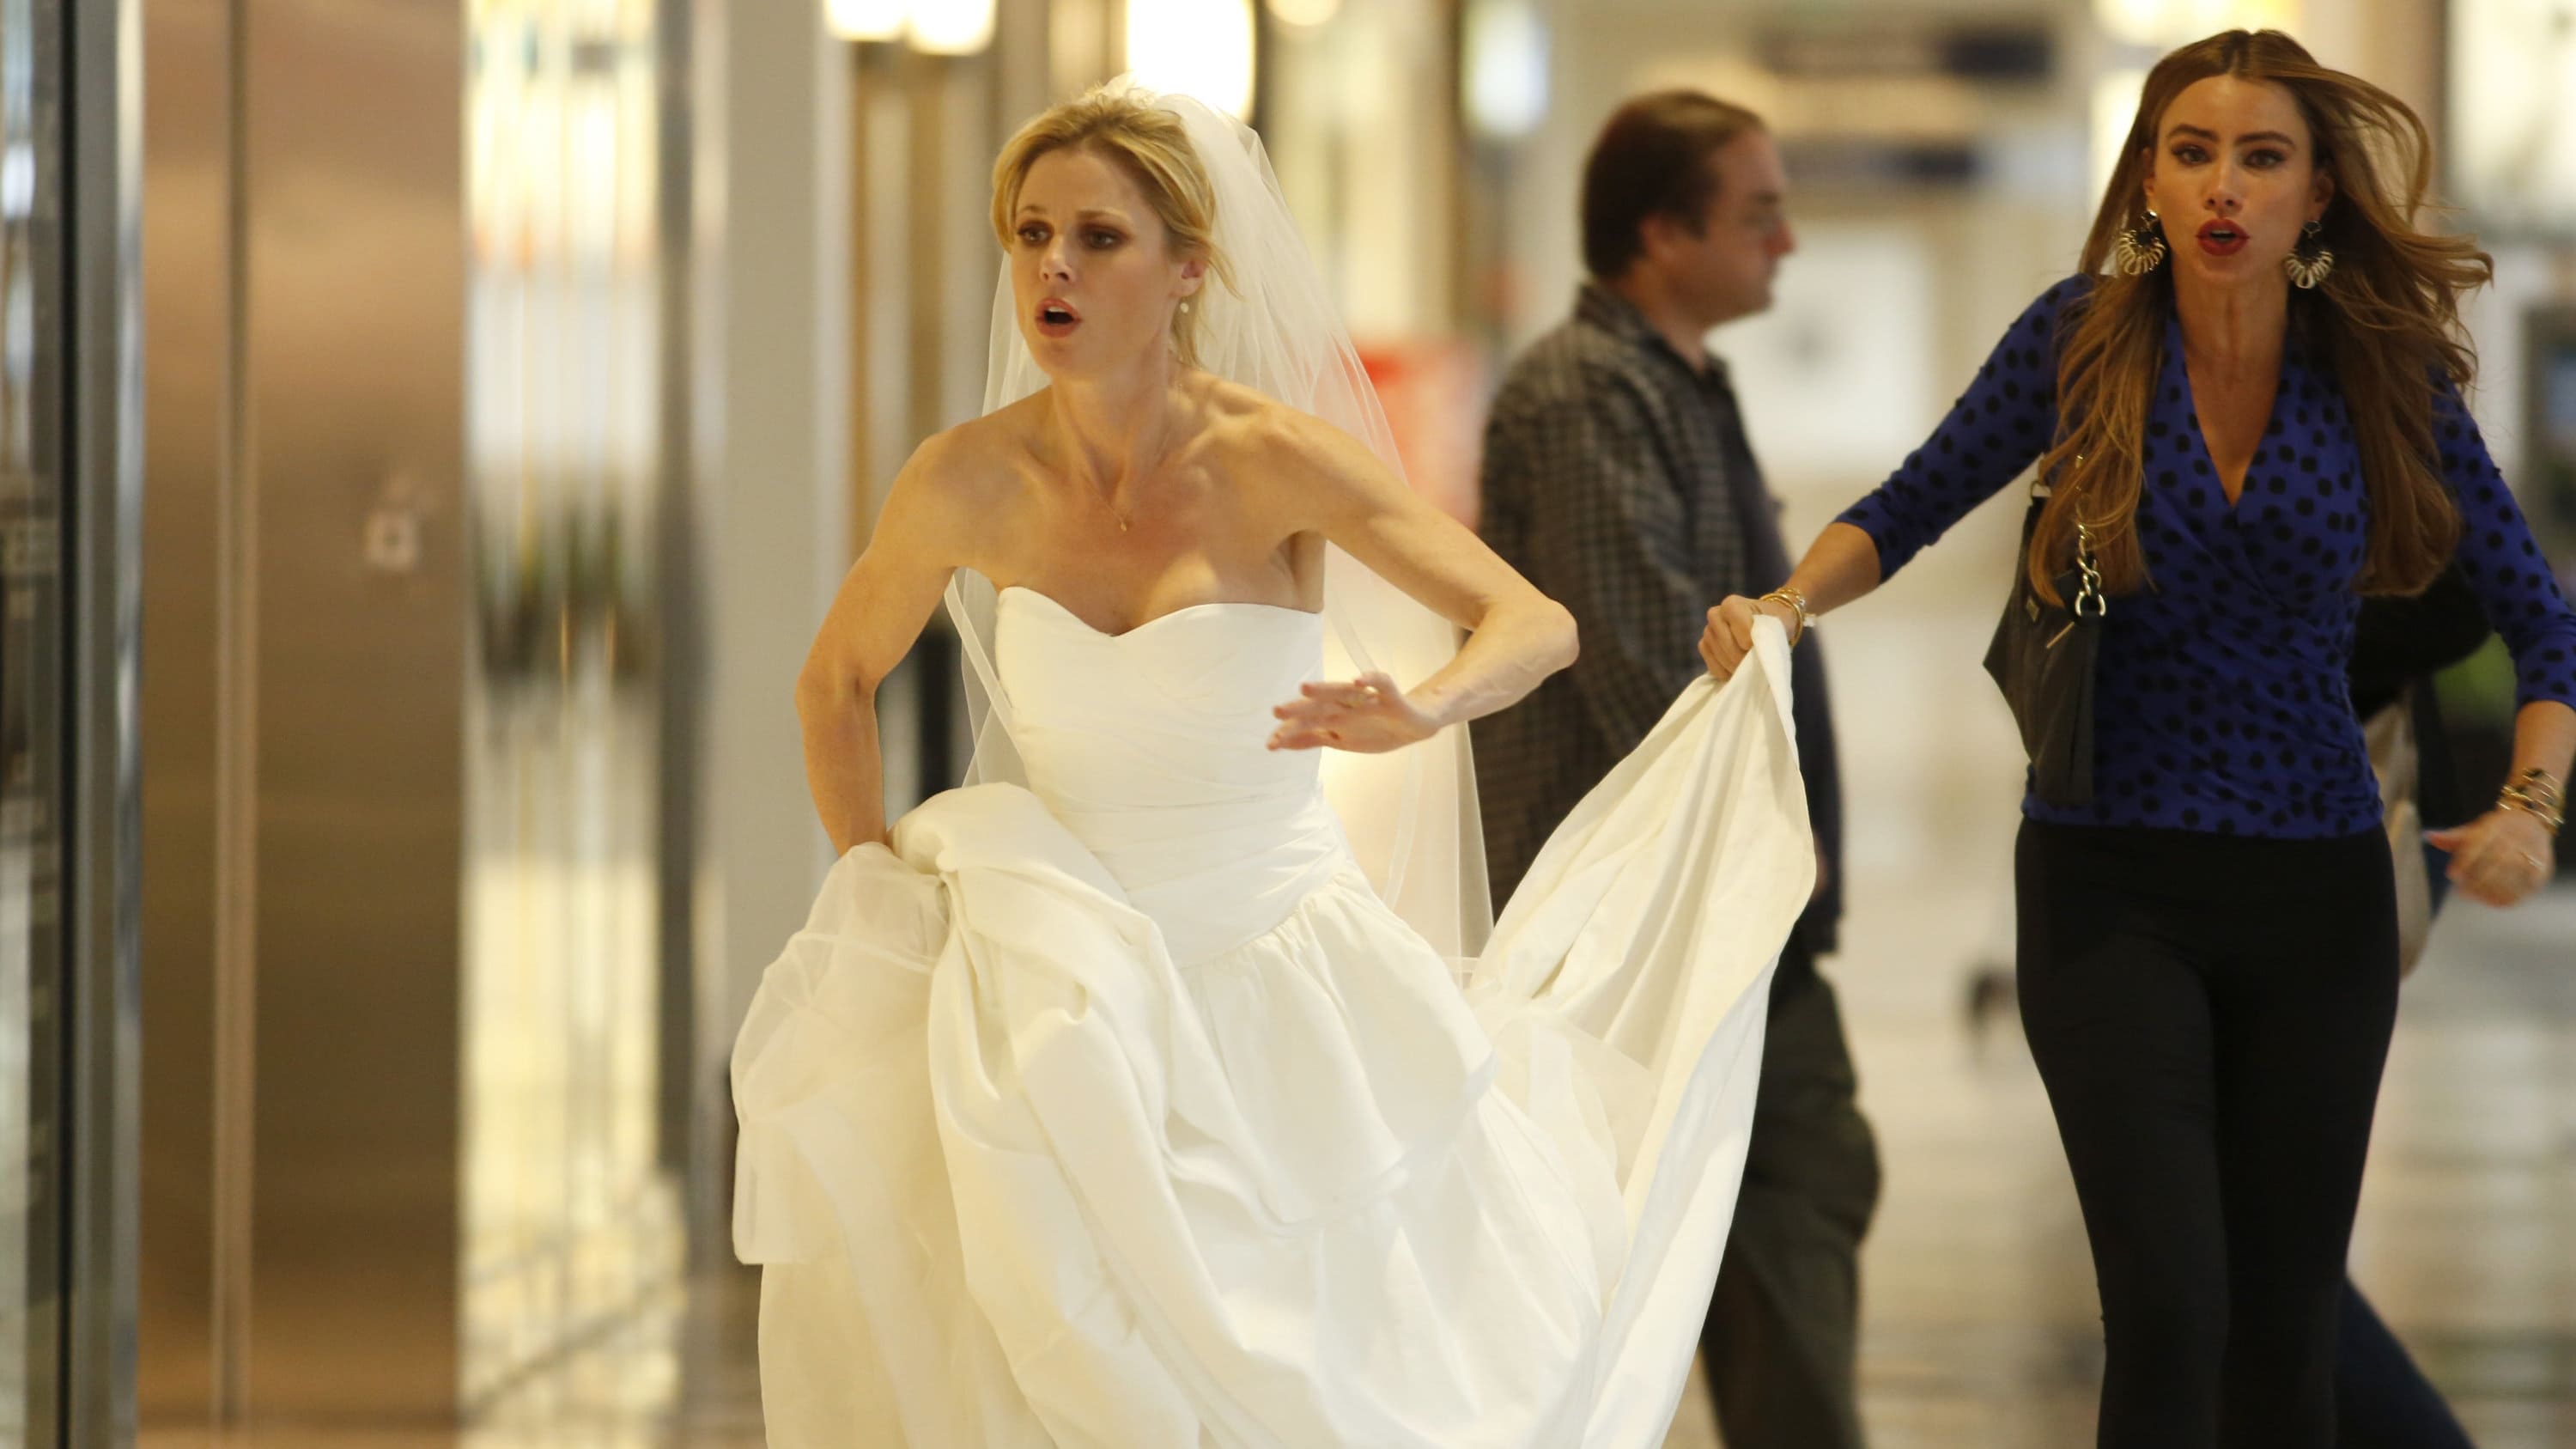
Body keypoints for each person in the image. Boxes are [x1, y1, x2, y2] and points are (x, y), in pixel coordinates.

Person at [728, 82, 1820, 1449]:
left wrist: (1424, 706)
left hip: (1278, 964)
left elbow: (1533, 622)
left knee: (1337, 1358)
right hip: (1057, 977)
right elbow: (833, 682)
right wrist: (874, 877)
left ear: (1188, 269)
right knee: (1061, 1345)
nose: (1055, 268)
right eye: (1032, 234)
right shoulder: (965, 478)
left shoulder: (1275, 458)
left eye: (1099, 239)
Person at [1700, 29, 2576, 1448]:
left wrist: (2530, 806)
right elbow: (1911, 503)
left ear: (2317, 194)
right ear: (2151, 180)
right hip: (2109, 881)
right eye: (2193, 152)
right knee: (2170, 1309)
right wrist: (1785, 606)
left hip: (2317, 895)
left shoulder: (2379, 371)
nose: (2224, 185)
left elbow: (2542, 623)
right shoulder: (2082, 338)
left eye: (2262, 157)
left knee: (2285, 1337)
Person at [1471, 91, 1876, 1449]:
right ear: (1661, 234)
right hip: (1652, 929)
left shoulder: (1679, 382)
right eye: (1758, 214)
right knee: (1761, 1229)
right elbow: (1648, 667)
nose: (1786, 242)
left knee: (1795, 1209)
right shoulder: (1588, 393)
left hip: (1717, 912)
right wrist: (1770, 856)